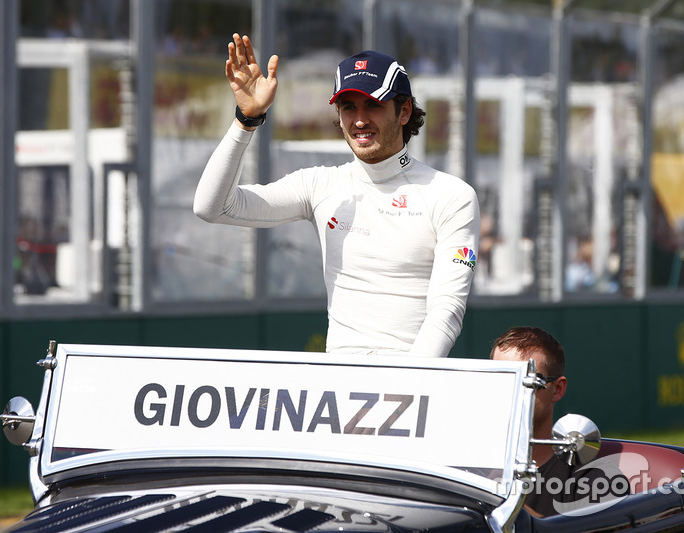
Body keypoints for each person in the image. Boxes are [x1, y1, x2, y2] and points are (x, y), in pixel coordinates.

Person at [193, 34, 480, 357]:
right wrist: (246, 121)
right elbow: (212, 206)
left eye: (373, 104)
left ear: (404, 112)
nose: (359, 120)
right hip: (340, 386)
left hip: (411, 384)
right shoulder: (321, 184)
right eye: (348, 107)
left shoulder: (452, 195)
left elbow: (447, 310)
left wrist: (407, 384)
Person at [490, 326, 628, 517]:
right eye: (502, 379)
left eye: (528, 382)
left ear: (557, 389)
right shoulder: (468, 464)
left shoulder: (595, 479)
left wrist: (501, 504)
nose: (511, 392)